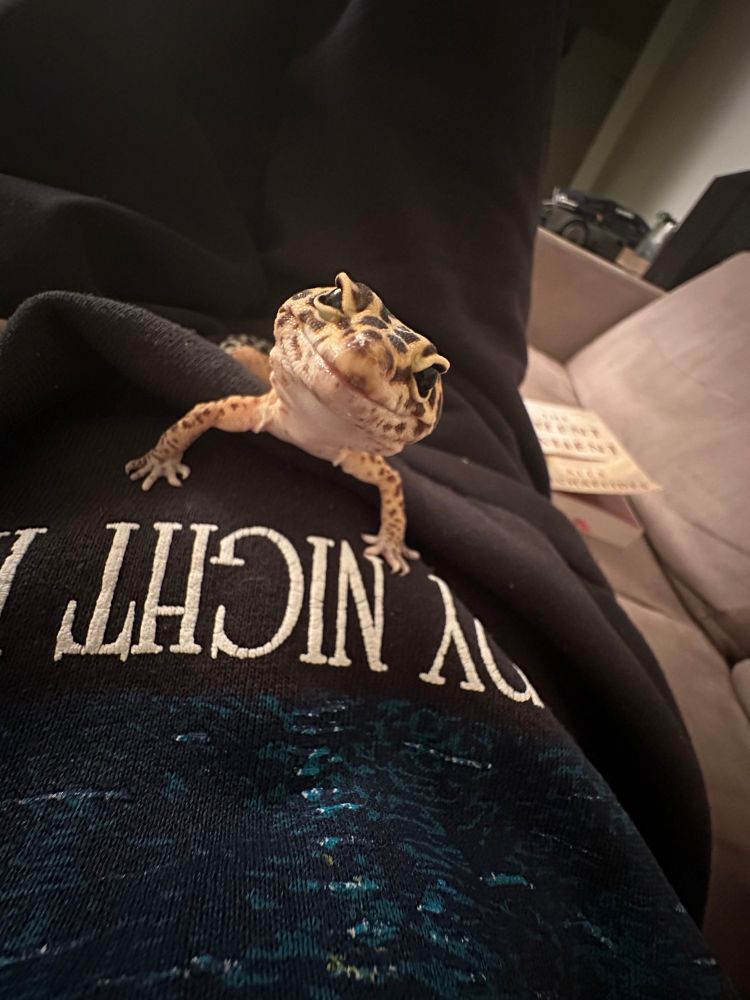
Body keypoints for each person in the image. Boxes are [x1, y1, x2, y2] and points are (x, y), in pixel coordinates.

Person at [0, 2, 737, 996]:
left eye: (393, 356)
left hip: (64, 310)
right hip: (454, 465)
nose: (366, 355)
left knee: (104, 62)